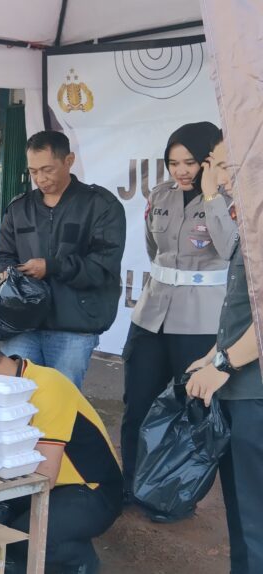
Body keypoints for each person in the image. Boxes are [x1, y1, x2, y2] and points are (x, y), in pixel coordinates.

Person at [0, 322, 122, 574]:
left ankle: (78, 563)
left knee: (26, 537)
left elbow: (46, 475)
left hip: (89, 490)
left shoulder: (47, 386)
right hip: (36, 482)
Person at [120, 123, 237, 503]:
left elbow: (230, 247)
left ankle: (172, 495)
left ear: (208, 161)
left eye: (190, 162)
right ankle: (130, 486)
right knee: (137, 404)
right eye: (173, 163)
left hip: (200, 323)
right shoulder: (161, 195)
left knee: (188, 413)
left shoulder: (229, 201)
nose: (181, 171)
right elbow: (155, 251)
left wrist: (212, 196)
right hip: (151, 317)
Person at [0, 131, 126, 389]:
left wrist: (51, 267)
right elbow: (3, 253)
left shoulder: (100, 205)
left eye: (47, 169)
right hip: (22, 323)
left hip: (73, 325)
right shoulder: (20, 206)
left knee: (61, 403)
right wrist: (8, 272)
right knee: (16, 398)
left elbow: (102, 265)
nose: (41, 179)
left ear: (69, 161)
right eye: (33, 172)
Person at [185, 138, 262, 572]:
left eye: (229, 166)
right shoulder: (249, 221)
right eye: (217, 165)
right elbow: (244, 306)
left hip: (253, 391)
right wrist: (215, 353)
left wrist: (224, 365)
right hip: (240, 386)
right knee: (240, 506)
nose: (220, 176)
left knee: (254, 510)